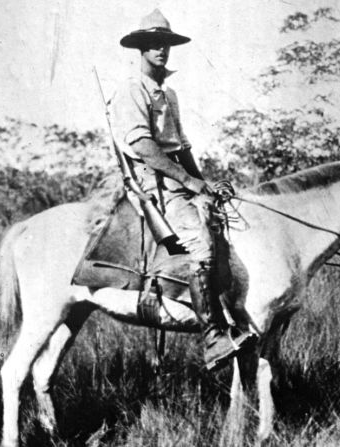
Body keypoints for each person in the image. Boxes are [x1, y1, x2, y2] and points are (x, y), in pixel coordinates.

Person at [109, 9, 257, 370]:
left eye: (165, 43)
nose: (160, 49)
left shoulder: (168, 93)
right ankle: (213, 339)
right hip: (154, 184)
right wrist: (187, 182)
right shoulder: (131, 89)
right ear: (140, 49)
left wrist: (203, 183)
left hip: (176, 178)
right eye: (152, 43)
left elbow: (183, 147)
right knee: (200, 244)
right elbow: (143, 147)